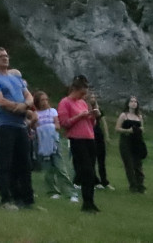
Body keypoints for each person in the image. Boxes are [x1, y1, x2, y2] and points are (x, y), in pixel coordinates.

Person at [0, 47, 34, 210]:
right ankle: (6, 199)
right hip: (4, 125)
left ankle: (27, 200)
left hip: (20, 125)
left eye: (6, 55)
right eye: (0, 56)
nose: (5, 58)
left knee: (25, 163)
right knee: (6, 163)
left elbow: (29, 96)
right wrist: (16, 107)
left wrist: (24, 105)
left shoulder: (16, 78)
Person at [58, 75, 100, 213]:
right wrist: (79, 116)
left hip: (89, 138)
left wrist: (92, 117)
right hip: (77, 139)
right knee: (86, 170)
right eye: (84, 90)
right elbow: (65, 123)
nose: (85, 93)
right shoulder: (65, 102)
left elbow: (91, 123)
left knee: (91, 171)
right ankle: (86, 202)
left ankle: (90, 202)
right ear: (76, 89)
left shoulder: (82, 103)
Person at [33, 90, 78, 202]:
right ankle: (52, 191)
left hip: (54, 142)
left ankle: (70, 192)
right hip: (42, 143)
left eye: (46, 99)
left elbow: (57, 125)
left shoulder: (52, 111)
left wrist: (49, 127)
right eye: (42, 100)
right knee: (48, 169)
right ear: (37, 102)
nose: (45, 102)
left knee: (60, 167)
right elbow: (35, 128)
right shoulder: (36, 114)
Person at [115, 95, 147, 193]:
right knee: (129, 164)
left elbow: (142, 129)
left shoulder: (139, 116)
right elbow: (117, 129)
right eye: (132, 101)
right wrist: (128, 130)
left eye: (135, 102)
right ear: (128, 103)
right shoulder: (124, 115)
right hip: (126, 141)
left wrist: (140, 130)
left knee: (138, 164)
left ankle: (140, 184)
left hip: (136, 141)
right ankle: (133, 185)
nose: (134, 103)